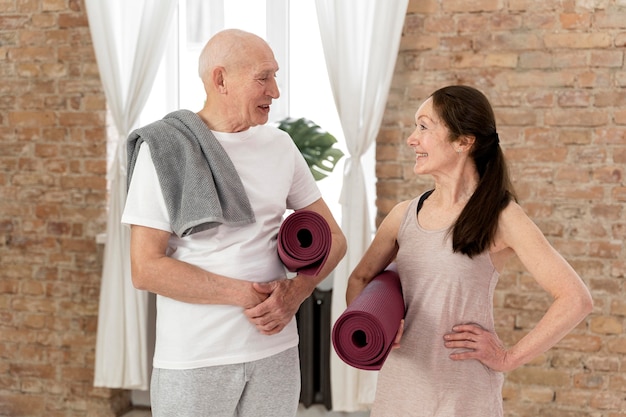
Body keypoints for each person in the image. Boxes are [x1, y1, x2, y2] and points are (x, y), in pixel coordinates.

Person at [121, 29, 346, 417]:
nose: (275, 91)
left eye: (276, 76)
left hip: (275, 351)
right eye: (263, 77)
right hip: (195, 358)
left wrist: (295, 294)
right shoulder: (165, 151)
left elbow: (335, 240)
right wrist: (244, 294)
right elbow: (146, 269)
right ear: (220, 79)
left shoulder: (280, 145)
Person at [345, 85, 593, 416]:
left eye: (423, 126)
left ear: (463, 142)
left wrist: (508, 357)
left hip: (464, 398)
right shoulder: (403, 215)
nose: (411, 139)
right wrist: (377, 325)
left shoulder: (502, 217)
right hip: (399, 392)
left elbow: (576, 299)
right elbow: (360, 278)